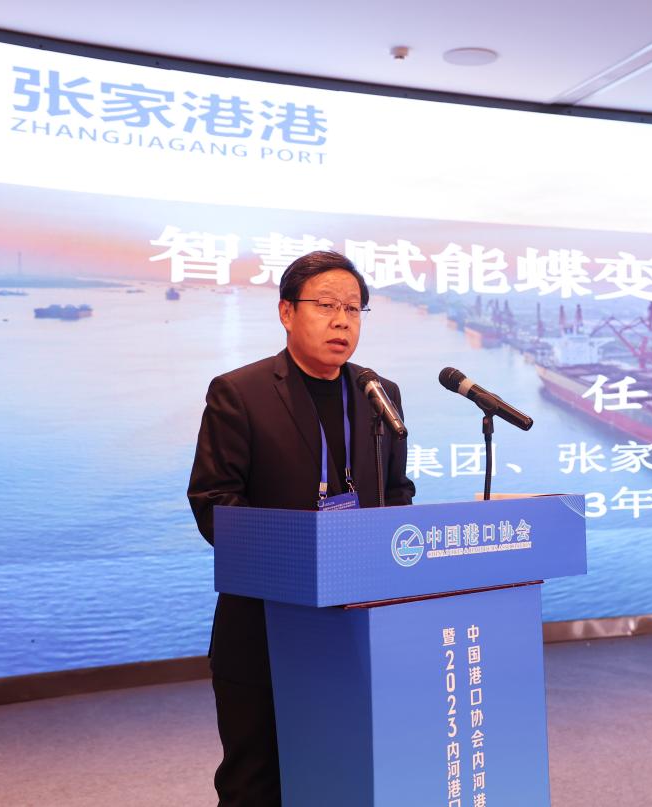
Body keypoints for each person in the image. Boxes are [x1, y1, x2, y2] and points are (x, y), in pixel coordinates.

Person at [187, 250, 415, 806]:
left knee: (347, 775)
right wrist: (304, 556)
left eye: (354, 309)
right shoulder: (240, 392)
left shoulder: (378, 393)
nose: (342, 321)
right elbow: (214, 503)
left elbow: (397, 492)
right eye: (326, 306)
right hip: (265, 625)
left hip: (356, 623)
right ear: (287, 312)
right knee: (256, 782)